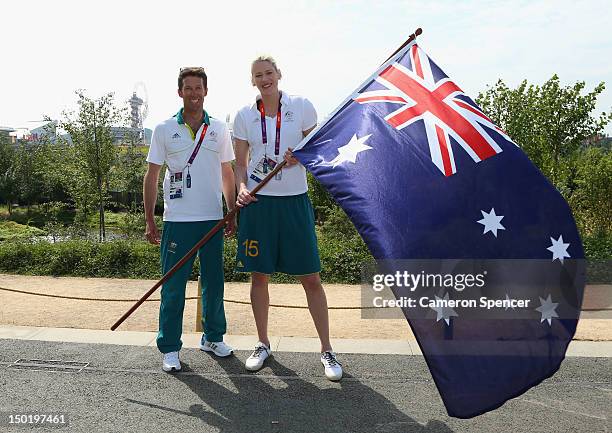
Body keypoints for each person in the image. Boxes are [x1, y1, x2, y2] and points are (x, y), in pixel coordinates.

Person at [233, 56, 342, 381]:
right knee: (259, 277)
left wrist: (302, 157)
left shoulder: (302, 106)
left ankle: (326, 349)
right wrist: (241, 189)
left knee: (311, 278)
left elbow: (320, 150)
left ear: (279, 75)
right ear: (252, 81)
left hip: (295, 203)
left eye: (269, 73)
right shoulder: (243, 116)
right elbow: (240, 163)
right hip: (258, 204)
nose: (264, 79)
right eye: (258, 75)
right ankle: (263, 344)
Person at [144, 67, 236, 372]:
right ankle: (170, 347)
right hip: (177, 220)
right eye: (188, 88)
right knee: (173, 286)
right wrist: (150, 220)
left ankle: (213, 337)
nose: (193, 93)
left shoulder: (220, 129)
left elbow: (227, 172)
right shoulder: (163, 129)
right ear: (179, 92)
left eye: (198, 88)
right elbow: (152, 175)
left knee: (214, 283)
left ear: (206, 91)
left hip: (212, 218)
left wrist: (231, 210)